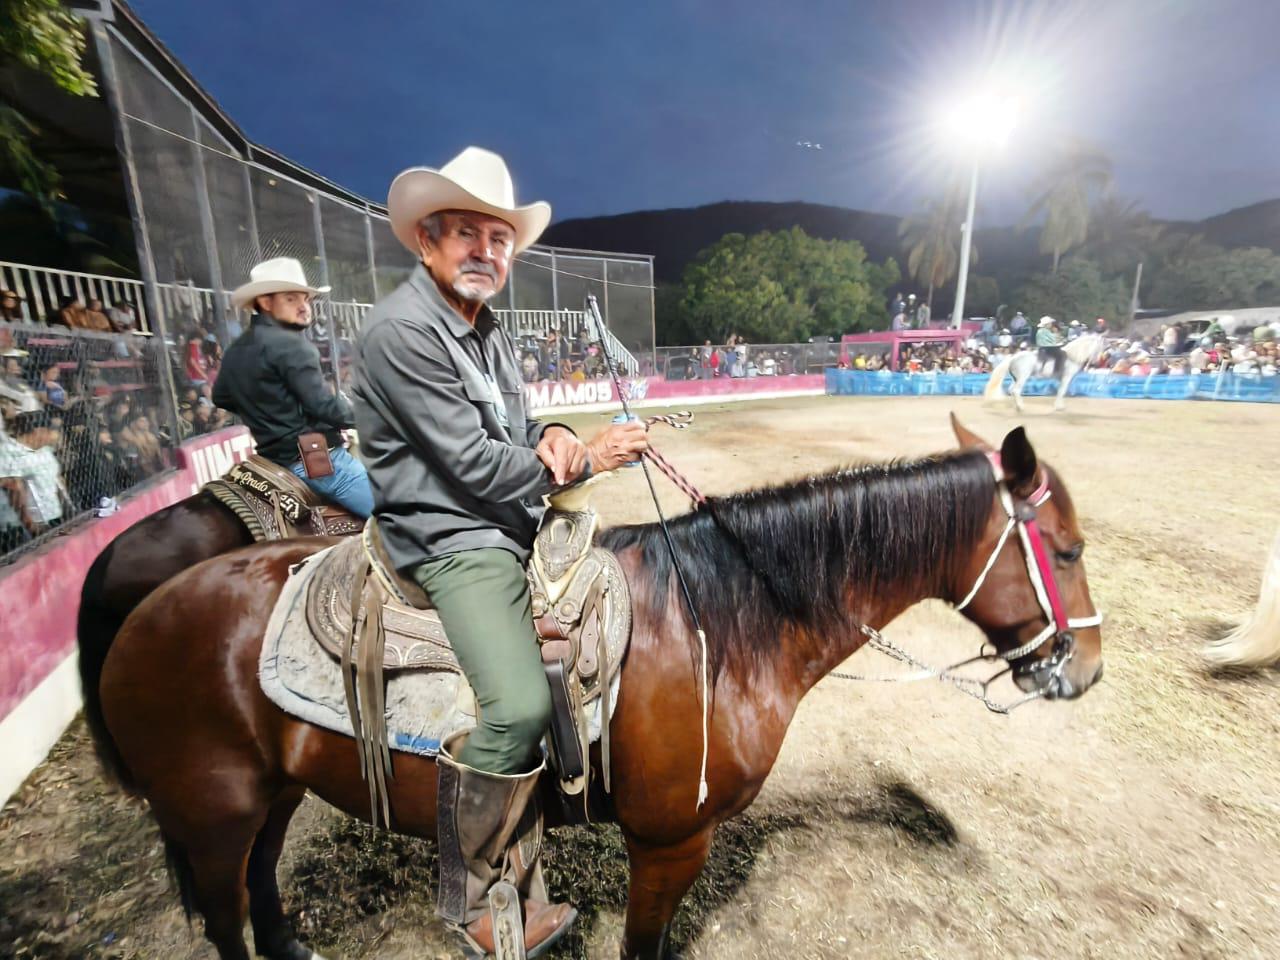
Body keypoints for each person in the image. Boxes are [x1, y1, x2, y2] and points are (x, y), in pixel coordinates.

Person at [354, 146, 649, 958]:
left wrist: (552, 432)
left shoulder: (484, 330)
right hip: (451, 533)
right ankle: (474, 896)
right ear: (426, 240)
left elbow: (514, 434)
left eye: (500, 238)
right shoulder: (402, 332)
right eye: (466, 234)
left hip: (499, 515)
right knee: (517, 707)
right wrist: (588, 458)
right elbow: (475, 467)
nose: (486, 251)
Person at [214, 257, 372, 517]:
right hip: (318, 462)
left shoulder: (236, 349)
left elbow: (221, 396)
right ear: (265, 302)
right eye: (291, 299)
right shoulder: (293, 344)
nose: (304, 307)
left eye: (306, 299)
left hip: (272, 461)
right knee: (404, 523)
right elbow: (323, 406)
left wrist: (268, 414)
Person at [0, 408, 67, 538]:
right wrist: (31, 525)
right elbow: (14, 490)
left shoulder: (45, 451)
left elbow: (57, 481)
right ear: (39, 431)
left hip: (53, 517)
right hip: (21, 526)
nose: (54, 434)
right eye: (51, 430)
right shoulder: (8, 452)